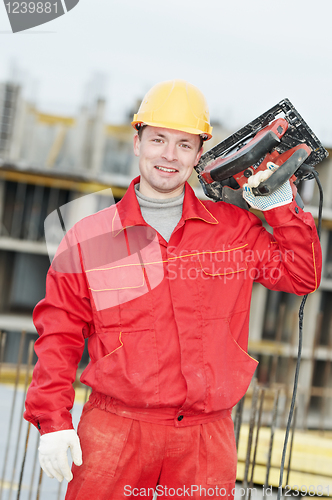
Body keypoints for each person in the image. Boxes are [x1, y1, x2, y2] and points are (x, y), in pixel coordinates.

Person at [24, 79, 322, 499]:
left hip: (204, 441)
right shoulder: (90, 237)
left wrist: (281, 207)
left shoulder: (234, 230)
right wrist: (53, 421)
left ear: (199, 154)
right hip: (116, 434)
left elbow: (300, 275)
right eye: (159, 140)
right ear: (137, 142)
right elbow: (59, 335)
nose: (169, 155)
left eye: (184, 145)